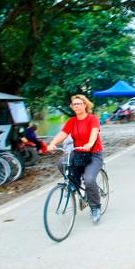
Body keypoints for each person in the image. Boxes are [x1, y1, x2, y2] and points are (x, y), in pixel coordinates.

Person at [47, 94, 104, 224]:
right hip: (78, 152)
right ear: (72, 107)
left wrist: (89, 144)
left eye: (79, 103)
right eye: (74, 104)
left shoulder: (92, 119)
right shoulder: (72, 121)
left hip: (94, 154)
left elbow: (94, 132)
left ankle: (95, 207)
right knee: (62, 163)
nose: (76, 106)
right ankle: (74, 183)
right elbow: (63, 134)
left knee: (89, 180)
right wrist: (53, 143)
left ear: (85, 105)